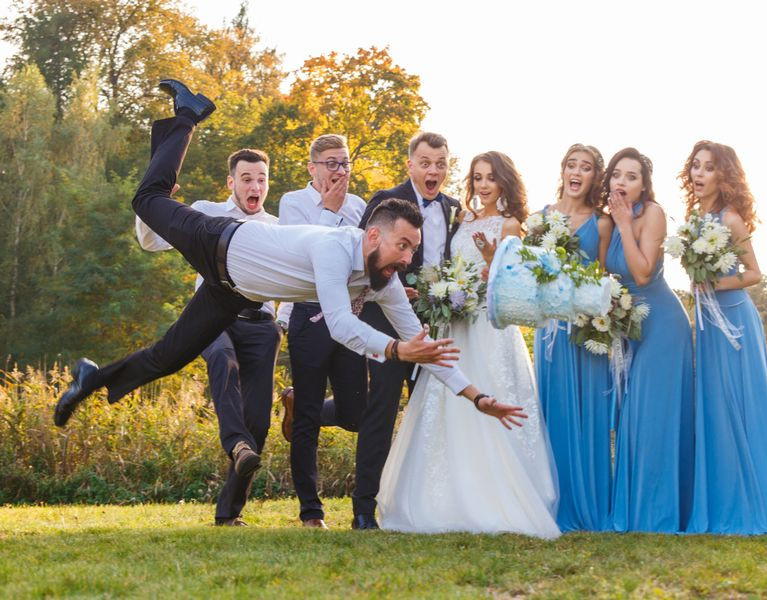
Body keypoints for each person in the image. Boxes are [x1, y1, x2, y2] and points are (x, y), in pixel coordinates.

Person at [53, 80, 525, 450]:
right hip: (218, 242)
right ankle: (188, 116)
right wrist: (401, 353)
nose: (407, 260)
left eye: (411, 250)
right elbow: (341, 325)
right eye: (403, 247)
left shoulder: (383, 279)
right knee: (146, 198)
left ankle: (90, 379)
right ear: (374, 236)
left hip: (232, 292)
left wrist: (478, 398)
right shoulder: (334, 249)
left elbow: (421, 346)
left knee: (167, 357)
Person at [377, 152, 560, 538]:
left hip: (489, 327)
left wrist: (492, 262)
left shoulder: (510, 225)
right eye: (477, 178)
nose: (483, 185)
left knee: (491, 395)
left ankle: (496, 496)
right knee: (446, 404)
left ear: (505, 182)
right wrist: (442, 292)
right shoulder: (462, 219)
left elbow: (513, 284)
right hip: (454, 323)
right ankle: (443, 498)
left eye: (491, 178)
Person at [135, 147, 282, 527]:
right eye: (247, 179)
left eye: (261, 179)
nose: (255, 186)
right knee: (221, 359)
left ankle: (229, 512)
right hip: (214, 318)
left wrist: (285, 323)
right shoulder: (207, 212)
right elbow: (151, 242)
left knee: (260, 421)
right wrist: (157, 203)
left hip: (261, 323)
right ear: (231, 182)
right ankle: (236, 443)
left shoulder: (278, 227)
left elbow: (296, 278)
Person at [679, 141, 767, 537]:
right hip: (708, 324)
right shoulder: (696, 218)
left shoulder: (730, 219)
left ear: (723, 175)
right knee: (713, 409)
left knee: (740, 407)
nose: (698, 174)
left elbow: (754, 273)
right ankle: (720, 504)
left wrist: (712, 281)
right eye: (695, 166)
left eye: (708, 168)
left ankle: (754, 507)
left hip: (734, 321)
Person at [351, 132, 461, 530]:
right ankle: (364, 509)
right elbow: (361, 258)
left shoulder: (454, 209)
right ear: (410, 165)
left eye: (441, 163)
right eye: (426, 162)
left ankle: (424, 507)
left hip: (433, 325)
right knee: (380, 410)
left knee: (428, 415)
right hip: (385, 325)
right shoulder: (385, 200)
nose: (434, 170)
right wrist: (392, 282)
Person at [276, 134, 368, 529]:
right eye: (331, 163)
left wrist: (367, 290)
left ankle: (296, 403)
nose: (339, 170)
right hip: (310, 316)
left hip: (349, 317)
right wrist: (329, 210)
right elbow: (302, 257)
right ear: (312, 167)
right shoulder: (292, 203)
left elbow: (364, 256)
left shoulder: (360, 206)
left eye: (344, 162)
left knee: (356, 413)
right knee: (308, 421)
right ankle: (311, 511)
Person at [601, 148, 695, 533]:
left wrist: (624, 223)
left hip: (662, 327)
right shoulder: (608, 220)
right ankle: (635, 510)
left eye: (632, 176)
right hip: (628, 327)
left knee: (650, 418)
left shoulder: (652, 213)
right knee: (630, 420)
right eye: (617, 175)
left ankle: (657, 515)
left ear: (644, 185)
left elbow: (641, 274)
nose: (622, 182)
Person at [534, 144, 614, 532]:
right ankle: (552, 503)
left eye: (585, 167)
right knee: (555, 414)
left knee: (589, 415)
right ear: (562, 170)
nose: (576, 173)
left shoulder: (601, 223)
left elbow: (603, 278)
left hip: (585, 330)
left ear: (594, 176)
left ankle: (590, 504)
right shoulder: (542, 218)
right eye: (571, 165)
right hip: (550, 330)